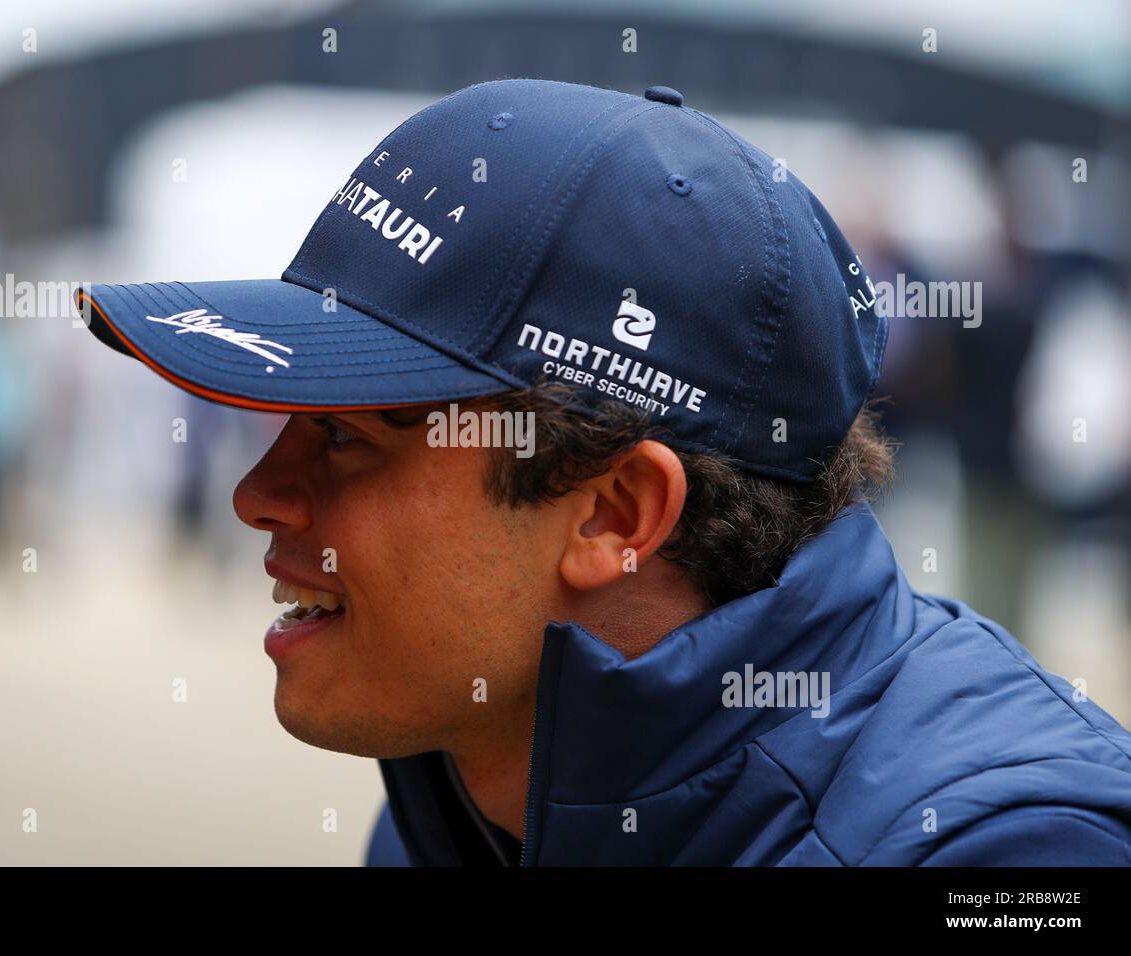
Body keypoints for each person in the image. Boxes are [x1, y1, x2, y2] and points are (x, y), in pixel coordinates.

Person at [74, 79, 1131, 866]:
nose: (255, 494)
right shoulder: (466, 794)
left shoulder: (1011, 851)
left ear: (615, 513)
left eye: (348, 436)